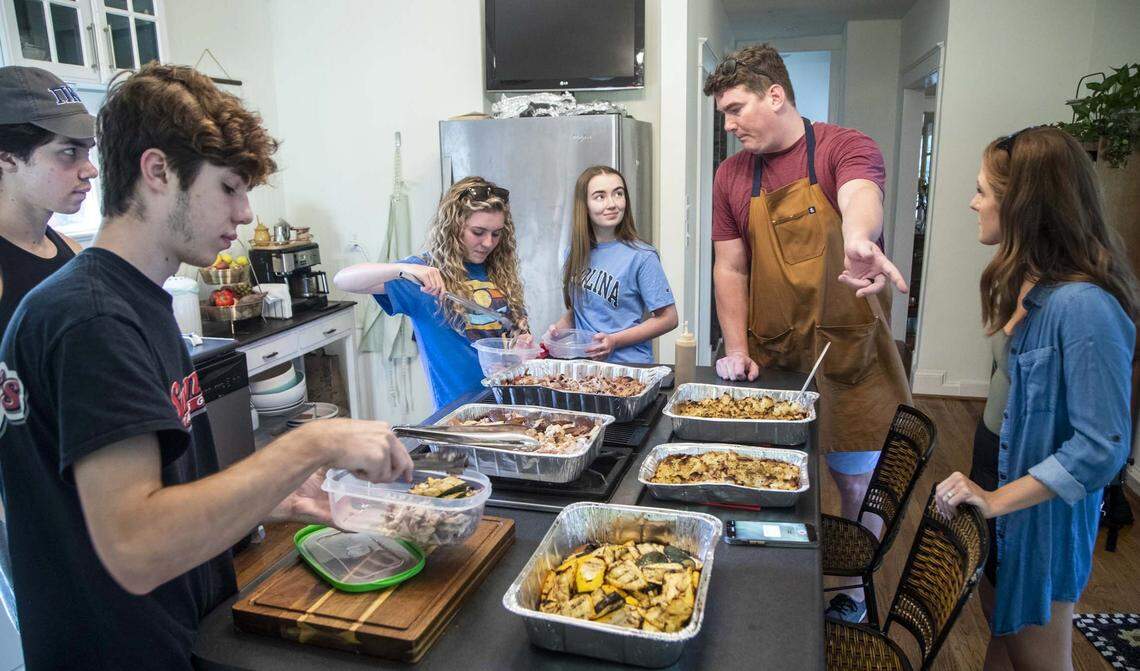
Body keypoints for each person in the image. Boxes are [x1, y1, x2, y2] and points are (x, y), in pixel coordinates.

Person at [0, 63, 413, 671]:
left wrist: (274, 497)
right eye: (229, 188)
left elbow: (153, 490)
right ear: (158, 171)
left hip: (180, 634)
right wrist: (312, 445)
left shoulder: (135, 297)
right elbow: (136, 546)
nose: (246, 213)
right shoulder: (90, 319)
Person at [703, 44, 912, 621]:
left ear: (776, 95)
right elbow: (730, 267)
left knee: (854, 481)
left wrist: (860, 237)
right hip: (774, 350)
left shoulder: (844, 147)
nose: (729, 123)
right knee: (768, 479)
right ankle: (770, 584)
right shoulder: (731, 174)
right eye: (724, 113)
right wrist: (738, 348)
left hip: (846, 349)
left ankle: (849, 590)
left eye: (737, 108)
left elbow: (859, 194)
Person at [937, 126, 1135, 671]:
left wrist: (997, 500)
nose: (973, 202)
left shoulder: (1085, 306)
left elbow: (1103, 447)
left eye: (983, 190)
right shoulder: (1027, 281)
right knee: (1003, 647)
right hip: (1000, 486)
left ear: (1022, 203)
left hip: (1037, 516)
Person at [0, 65, 99, 628]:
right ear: (6, 157)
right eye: (67, 154)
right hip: (30, 504)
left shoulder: (60, 245)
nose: (87, 170)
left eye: (87, 151)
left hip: (81, 485)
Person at [334, 176, 530, 410]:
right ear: (454, 226)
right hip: (459, 416)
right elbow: (343, 280)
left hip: (511, 405)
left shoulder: (499, 272)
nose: (488, 243)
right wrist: (402, 268)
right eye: (478, 232)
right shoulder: (424, 276)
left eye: (496, 233)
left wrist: (522, 347)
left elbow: (514, 335)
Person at [547, 165, 677, 362]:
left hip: (630, 371)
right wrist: (556, 332)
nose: (612, 204)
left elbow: (669, 318)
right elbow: (582, 311)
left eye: (618, 194)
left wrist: (614, 340)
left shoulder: (642, 256)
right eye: (600, 196)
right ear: (585, 205)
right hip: (586, 371)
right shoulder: (573, 254)